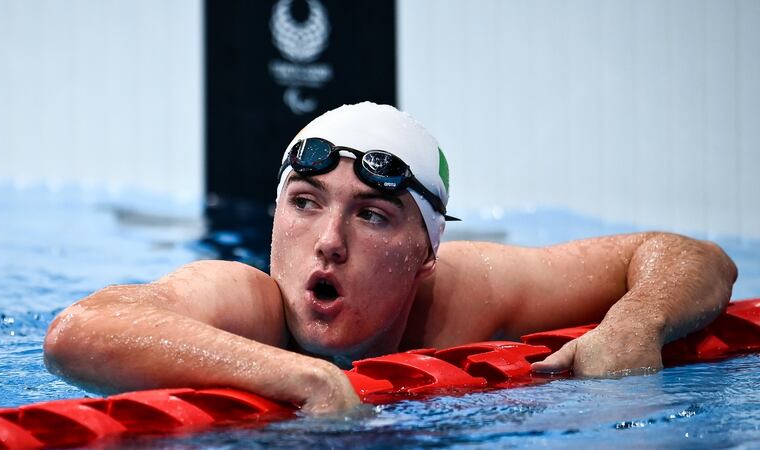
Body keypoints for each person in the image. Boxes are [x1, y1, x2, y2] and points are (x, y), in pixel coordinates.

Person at [43, 102, 737, 414]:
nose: (329, 240)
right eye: (306, 203)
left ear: (425, 257)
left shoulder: (469, 295)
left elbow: (686, 256)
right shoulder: (242, 304)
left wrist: (635, 321)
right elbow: (79, 331)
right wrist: (304, 378)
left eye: (371, 215)